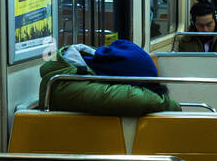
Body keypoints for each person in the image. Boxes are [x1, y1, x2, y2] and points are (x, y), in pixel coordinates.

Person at [39, 38, 180, 115]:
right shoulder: (65, 84)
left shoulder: (92, 69)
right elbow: (135, 97)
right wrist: (170, 105)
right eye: (146, 88)